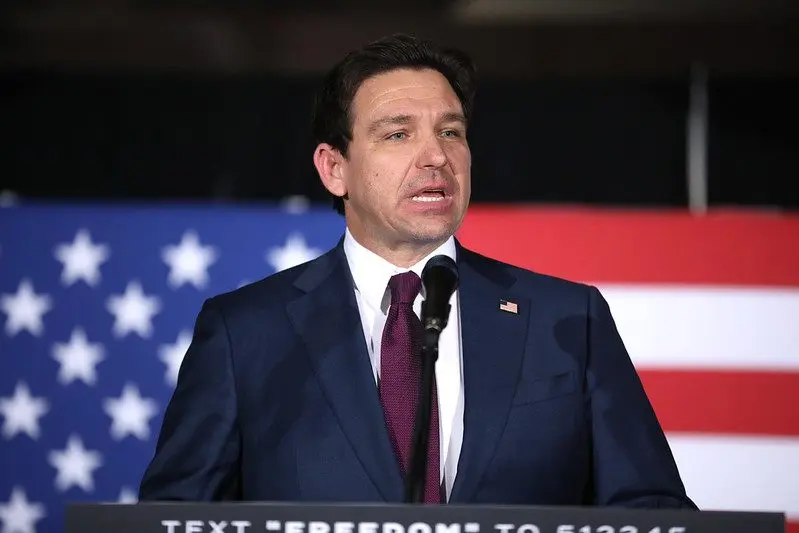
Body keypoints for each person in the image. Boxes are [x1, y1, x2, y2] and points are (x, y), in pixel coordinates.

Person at [138, 33, 697, 508]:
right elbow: (174, 519)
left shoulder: (569, 319)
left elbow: (651, 510)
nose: (436, 156)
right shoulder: (246, 333)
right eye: (398, 133)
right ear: (335, 168)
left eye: (451, 132)